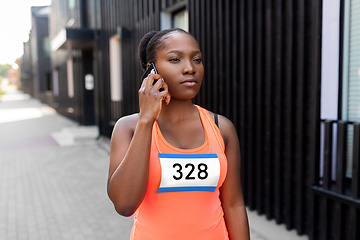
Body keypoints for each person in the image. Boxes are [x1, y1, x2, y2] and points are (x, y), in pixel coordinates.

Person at [107, 28, 250, 240]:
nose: (190, 68)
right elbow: (124, 205)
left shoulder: (222, 128)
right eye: (175, 59)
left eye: (197, 59)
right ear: (151, 70)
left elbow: (234, 204)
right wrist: (146, 120)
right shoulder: (128, 128)